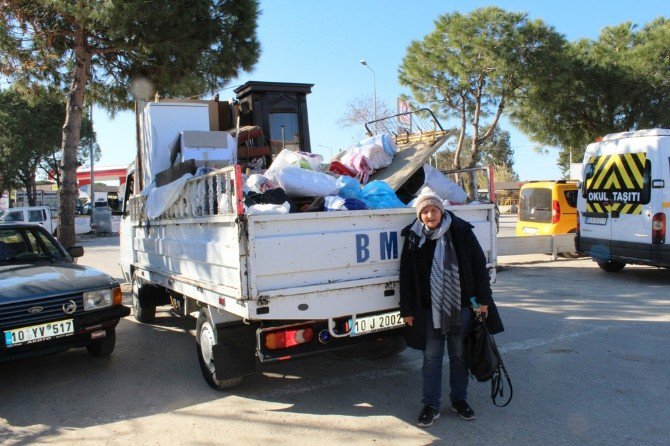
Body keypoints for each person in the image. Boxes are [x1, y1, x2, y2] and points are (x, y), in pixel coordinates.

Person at [399, 189, 504, 427]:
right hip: (429, 310)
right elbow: (406, 276)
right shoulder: (414, 237)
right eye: (424, 211)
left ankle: (459, 400)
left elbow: (478, 266)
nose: (429, 215)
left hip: (461, 308)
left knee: (459, 355)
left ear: (442, 210)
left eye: (434, 209)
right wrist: (407, 309)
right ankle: (431, 405)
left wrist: (484, 300)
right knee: (432, 357)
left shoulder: (461, 232)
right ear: (419, 215)